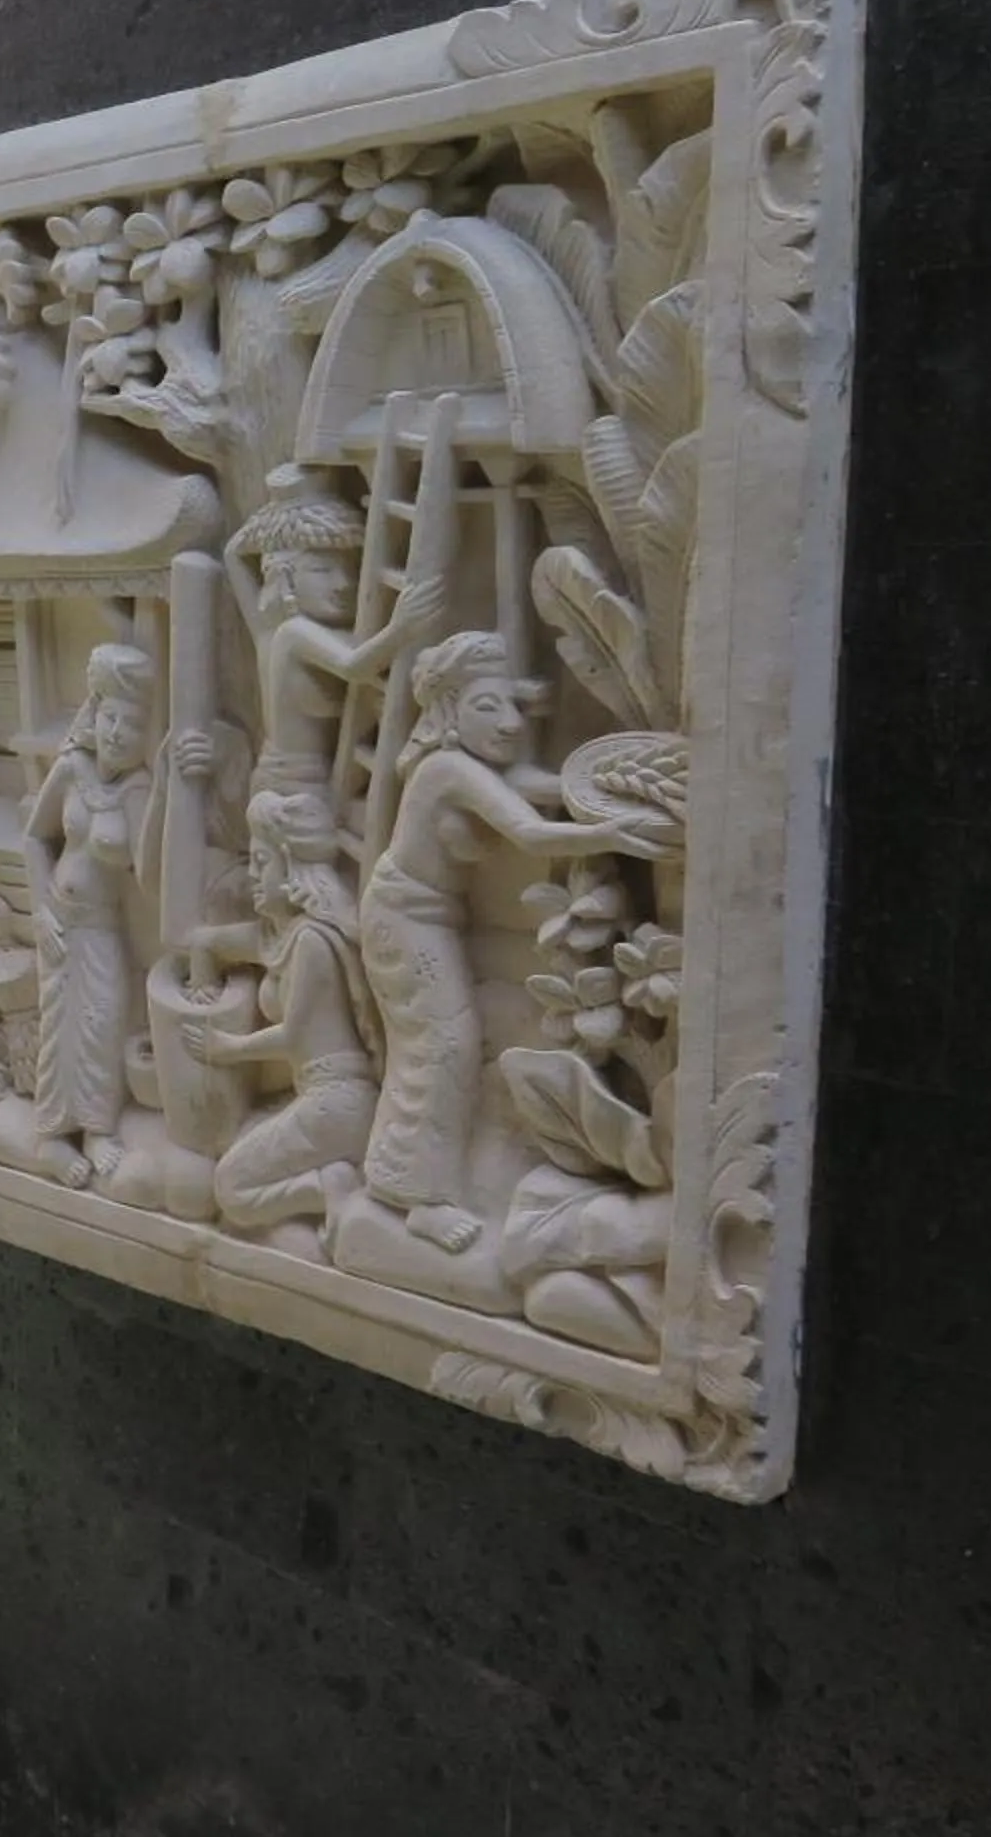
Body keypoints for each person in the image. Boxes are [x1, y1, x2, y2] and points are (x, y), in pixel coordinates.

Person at [353, 632, 667, 1254]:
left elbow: (540, 788)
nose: (510, 723)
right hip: (402, 918)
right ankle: (416, 1195)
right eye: (488, 706)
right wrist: (618, 833)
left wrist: (612, 791)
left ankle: (406, 1174)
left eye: (512, 706)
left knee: (446, 1039)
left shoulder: (474, 768)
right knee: (443, 1042)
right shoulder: (445, 770)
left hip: (428, 916)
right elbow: (531, 832)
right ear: (448, 710)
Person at [183, 791, 381, 1228]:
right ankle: (328, 1182)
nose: (252, 874)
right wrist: (201, 984)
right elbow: (205, 940)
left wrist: (225, 1047)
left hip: (340, 1100)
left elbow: (295, 1036)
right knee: (233, 1143)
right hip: (316, 1096)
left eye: (262, 862)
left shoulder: (311, 941)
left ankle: (326, 1188)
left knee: (230, 1189)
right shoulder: (279, 937)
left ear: (291, 865)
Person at [224, 464, 446, 799]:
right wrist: (401, 627)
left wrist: (279, 517)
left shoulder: (267, 631)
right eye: (321, 570)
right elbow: (353, 666)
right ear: (285, 577)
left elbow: (233, 556)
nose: (343, 583)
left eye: (350, 569)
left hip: (304, 782)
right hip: (296, 788)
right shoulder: (293, 633)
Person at [23, 644, 155, 1181]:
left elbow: (147, 870)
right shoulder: (71, 769)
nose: (118, 733)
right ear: (95, 715)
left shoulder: (139, 789)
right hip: (58, 922)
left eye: (132, 724)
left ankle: (97, 1128)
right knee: (58, 1028)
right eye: (110, 717)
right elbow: (35, 839)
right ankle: (53, 1136)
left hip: (102, 927)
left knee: (101, 1023)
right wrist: (40, 910)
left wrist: (167, 796)